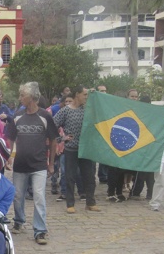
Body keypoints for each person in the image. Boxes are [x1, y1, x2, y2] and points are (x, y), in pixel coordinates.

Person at [6, 82, 57, 245]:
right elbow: (11, 137)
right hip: (21, 164)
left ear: (32, 97)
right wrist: (9, 156)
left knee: (39, 197)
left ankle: (40, 230)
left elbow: (54, 140)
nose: (20, 98)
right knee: (18, 195)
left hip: (39, 165)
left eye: (23, 95)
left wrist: (51, 163)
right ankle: (19, 221)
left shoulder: (45, 116)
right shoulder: (17, 116)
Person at [53, 85, 100, 213]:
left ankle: (90, 202)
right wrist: (61, 139)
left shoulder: (88, 109)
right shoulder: (66, 111)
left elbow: (100, 113)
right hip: (71, 149)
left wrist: (96, 96)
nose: (86, 97)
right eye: (84, 94)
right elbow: (53, 125)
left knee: (89, 177)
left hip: (86, 149)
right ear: (77, 95)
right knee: (70, 177)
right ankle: (70, 204)